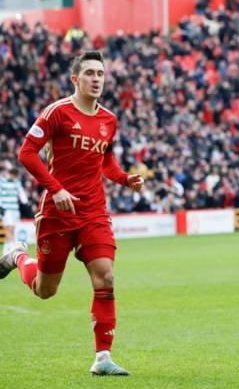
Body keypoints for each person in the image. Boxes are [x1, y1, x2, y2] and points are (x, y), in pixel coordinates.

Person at [0, 51, 144, 375]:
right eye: (90, 73)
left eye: (101, 74)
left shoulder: (109, 119)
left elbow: (104, 161)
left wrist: (124, 178)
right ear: (75, 79)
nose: (97, 79)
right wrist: (56, 188)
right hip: (57, 212)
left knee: (105, 276)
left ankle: (103, 358)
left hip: (93, 211)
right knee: (44, 290)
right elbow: (26, 153)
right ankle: (18, 257)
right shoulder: (57, 113)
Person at [0, 162, 28, 253]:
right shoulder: (2, 182)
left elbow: (22, 195)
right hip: (6, 210)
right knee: (9, 228)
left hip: (15, 210)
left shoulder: (17, 183)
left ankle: (8, 249)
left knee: (13, 229)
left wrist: (26, 203)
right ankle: (10, 249)